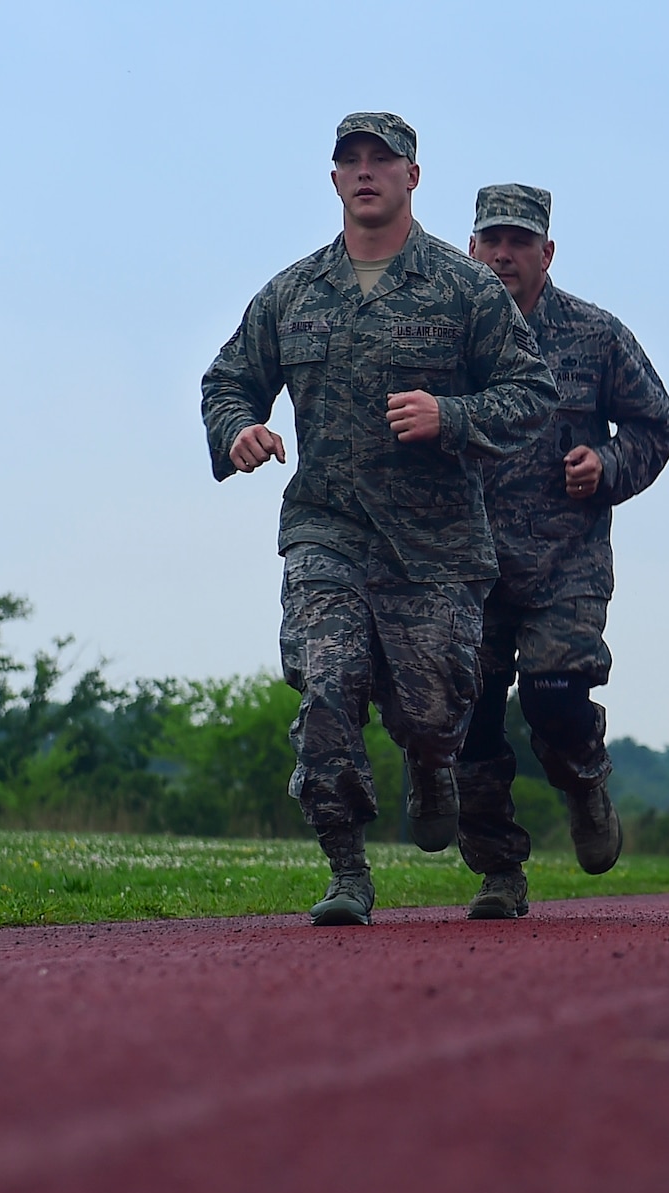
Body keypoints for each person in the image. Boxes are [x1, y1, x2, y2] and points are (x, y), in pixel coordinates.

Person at [202, 113, 557, 926]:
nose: (366, 172)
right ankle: (347, 870)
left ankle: (432, 764)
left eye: (382, 160)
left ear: (412, 177)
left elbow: (534, 393)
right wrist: (238, 431)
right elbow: (226, 381)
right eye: (350, 161)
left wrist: (452, 416)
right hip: (327, 531)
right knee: (326, 690)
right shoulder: (292, 293)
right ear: (334, 179)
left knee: (433, 713)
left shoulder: (463, 288)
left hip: (436, 548)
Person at [456, 184, 669, 919]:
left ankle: (584, 781)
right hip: (464, 565)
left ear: (547, 254)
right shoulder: (441, 336)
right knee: (473, 721)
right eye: (491, 241)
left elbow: (656, 426)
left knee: (554, 700)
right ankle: (498, 871)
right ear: (469, 250)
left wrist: (606, 466)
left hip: (564, 563)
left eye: (519, 243)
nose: (503, 255)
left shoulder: (595, 335)